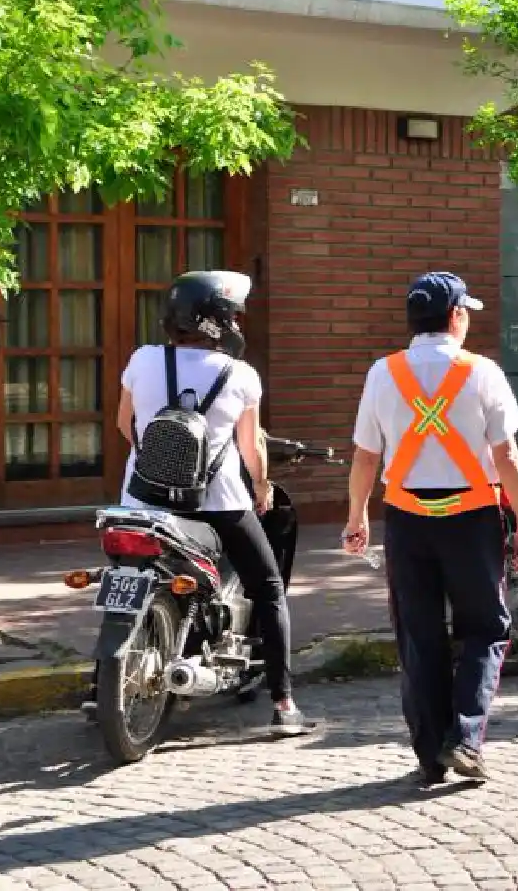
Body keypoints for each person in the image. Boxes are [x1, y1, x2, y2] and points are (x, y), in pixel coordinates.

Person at [342, 271, 518, 786]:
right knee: (486, 629)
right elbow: (507, 455)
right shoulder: (482, 372)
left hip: (407, 520)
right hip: (471, 521)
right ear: (455, 316)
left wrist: (356, 515)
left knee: (419, 636)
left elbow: (366, 455)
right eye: (466, 310)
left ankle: (430, 756)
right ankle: (466, 740)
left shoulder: (382, 374)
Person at [116, 270, 310, 735]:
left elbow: (126, 425)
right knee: (268, 589)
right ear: (216, 321)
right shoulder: (239, 374)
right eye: (235, 316)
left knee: (130, 582)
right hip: (218, 501)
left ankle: (106, 679)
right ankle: (284, 704)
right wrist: (261, 487)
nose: (239, 325)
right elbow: (252, 448)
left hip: (141, 500)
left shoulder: (142, 360)